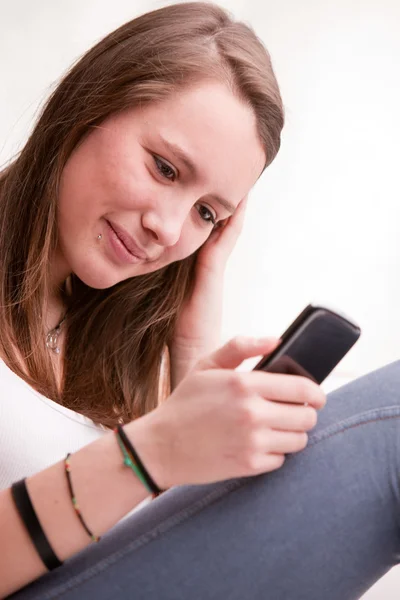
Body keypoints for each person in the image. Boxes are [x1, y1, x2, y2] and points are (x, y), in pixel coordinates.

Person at [1, 2, 399, 599]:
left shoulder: (92, 352)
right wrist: (150, 451)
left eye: (207, 213)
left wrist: (190, 344)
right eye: (165, 168)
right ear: (90, 105)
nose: (170, 229)